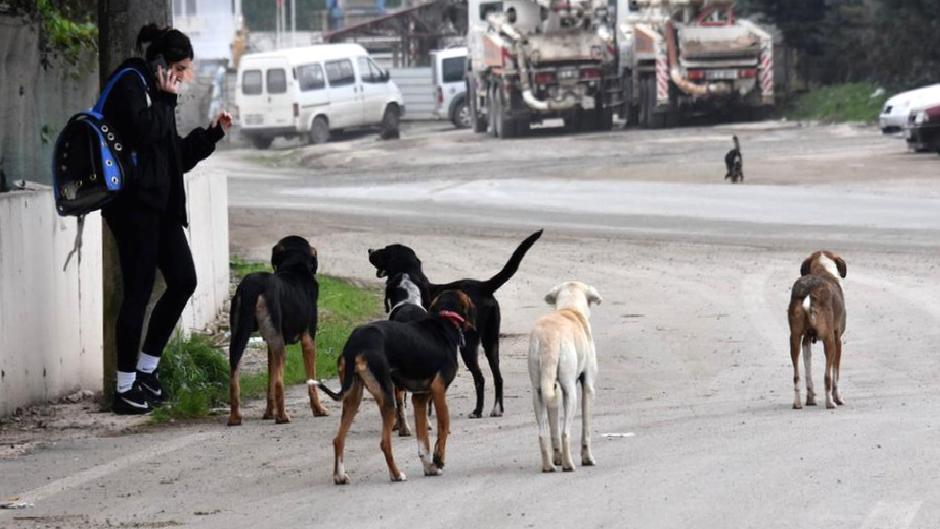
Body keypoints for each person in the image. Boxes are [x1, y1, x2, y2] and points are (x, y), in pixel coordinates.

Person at [102, 23, 232, 414]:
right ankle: (124, 388)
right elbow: (142, 135)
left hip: (161, 208)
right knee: (138, 293)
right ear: (161, 64)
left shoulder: (157, 95)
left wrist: (210, 136)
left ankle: (146, 372)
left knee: (183, 280)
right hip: (133, 209)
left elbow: (170, 154)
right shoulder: (131, 83)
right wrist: (166, 99)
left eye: (186, 71)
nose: (183, 78)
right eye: (180, 69)